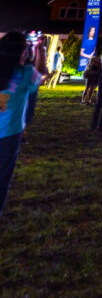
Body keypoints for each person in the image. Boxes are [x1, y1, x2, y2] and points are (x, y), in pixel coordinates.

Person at [0, 32, 48, 216]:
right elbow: (42, 74)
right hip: (9, 134)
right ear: (23, 51)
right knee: (2, 176)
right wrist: (40, 50)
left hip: (9, 132)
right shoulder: (26, 74)